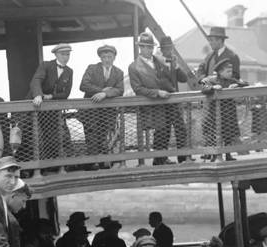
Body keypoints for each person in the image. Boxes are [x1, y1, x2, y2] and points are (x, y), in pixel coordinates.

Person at [129, 33, 179, 166]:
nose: (149, 50)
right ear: (140, 47)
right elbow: (138, 89)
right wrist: (157, 92)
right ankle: (158, 159)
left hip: (165, 102)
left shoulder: (158, 61)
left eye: (151, 47)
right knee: (160, 129)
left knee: (165, 129)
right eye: (146, 47)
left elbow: (168, 78)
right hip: (151, 103)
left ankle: (161, 158)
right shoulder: (134, 67)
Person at [29, 44, 75, 171]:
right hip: (35, 107)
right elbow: (36, 80)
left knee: (54, 136)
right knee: (32, 135)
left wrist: (50, 96)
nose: (66, 57)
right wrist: (38, 95)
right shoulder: (46, 65)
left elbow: (65, 94)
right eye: (63, 54)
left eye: (68, 54)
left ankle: (51, 166)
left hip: (52, 110)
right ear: (56, 55)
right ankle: (31, 168)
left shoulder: (69, 71)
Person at [78, 44, 124, 169]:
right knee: (91, 136)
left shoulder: (119, 72)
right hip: (90, 111)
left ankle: (103, 161)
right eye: (104, 57)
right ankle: (92, 162)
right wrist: (101, 90)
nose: (107, 59)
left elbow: (120, 90)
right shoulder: (92, 68)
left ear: (114, 57)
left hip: (107, 112)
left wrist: (105, 94)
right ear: (100, 58)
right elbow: (83, 85)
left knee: (103, 136)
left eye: (110, 56)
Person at [200, 58, 248, 162]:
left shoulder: (231, 80)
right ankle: (215, 155)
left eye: (231, 71)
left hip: (228, 114)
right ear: (220, 72)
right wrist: (213, 88)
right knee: (215, 135)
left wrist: (237, 84)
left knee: (228, 135)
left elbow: (246, 83)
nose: (230, 73)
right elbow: (203, 86)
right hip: (215, 114)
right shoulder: (210, 79)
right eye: (228, 71)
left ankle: (228, 154)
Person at [158, 36, 194, 163]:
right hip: (162, 101)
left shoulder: (173, 62)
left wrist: (177, 66)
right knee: (162, 131)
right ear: (161, 49)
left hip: (173, 102)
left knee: (180, 128)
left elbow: (183, 79)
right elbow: (160, 82)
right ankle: (159, 159)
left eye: (170, 48)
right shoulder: (156, 61)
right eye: (167, 48)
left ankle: (182, 157)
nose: (169, 50)